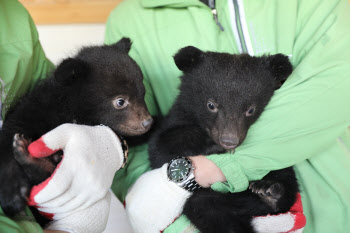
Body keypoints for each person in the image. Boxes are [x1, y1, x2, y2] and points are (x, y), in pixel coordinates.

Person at [103, 0, 350, 232]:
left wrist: (214, 167)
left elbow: (340, 84)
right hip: (198, 204)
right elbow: (129, 138)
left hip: (332, 205)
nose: (231, 137)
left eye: (249, 111)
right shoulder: (130, 18)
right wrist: (171, 221)